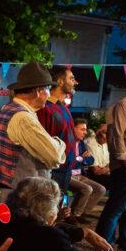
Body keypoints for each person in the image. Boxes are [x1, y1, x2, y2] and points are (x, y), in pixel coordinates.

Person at [0, 62, 65, 199]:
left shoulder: (8, 108)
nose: (49, 95)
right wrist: (60, 143)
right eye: (48, 88)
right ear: (38, 91)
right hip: (21, 195)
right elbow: (54, 156)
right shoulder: (23, 118)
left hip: (9, 189)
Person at [96, 70, 126, 251]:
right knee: (117, 207)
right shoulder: (123, 105)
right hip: (125, 166)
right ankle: (103, 245)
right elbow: (117, 136)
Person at [37, 66, 78, 196]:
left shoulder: (64, 108)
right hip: (54, 171)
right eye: (71, 78)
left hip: (66, 170)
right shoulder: (46, 109)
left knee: (58, 210)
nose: (75, 82)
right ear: (60, 81)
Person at [68, 118, 105, 225]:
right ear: (73, 128)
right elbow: (68, 162)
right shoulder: (68, 142)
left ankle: (84, 213)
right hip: (68, 175)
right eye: (82, 129)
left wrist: (79, 159)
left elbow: (91, 160)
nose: (85, 132)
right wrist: (81, 159)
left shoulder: (81, 143)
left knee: (101, 189)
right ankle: (75, 215)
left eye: (85, 130)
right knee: (87, 189)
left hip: (79, 174)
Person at [85, 124, 110, 188]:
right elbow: (96, 171)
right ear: (99, 133)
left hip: (105, 174)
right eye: (107, 134)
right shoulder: (90, 143)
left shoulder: (105, 143)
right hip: (92, 176)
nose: (109, 137)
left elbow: (109, 164)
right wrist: (108, 168)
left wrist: (106, 168)